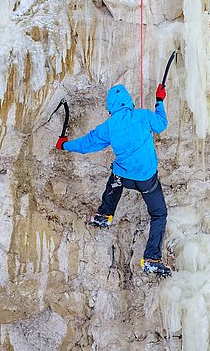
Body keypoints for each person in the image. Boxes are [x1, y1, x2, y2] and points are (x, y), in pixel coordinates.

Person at [55, 83, 172, 277]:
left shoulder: (109, 127)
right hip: (145, 179)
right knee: (159, 214)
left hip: (124, 177)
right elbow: (161, 124)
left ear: (111, 108)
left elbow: (87, 143)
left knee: (115, 178)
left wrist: (65, 145)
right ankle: (151, 258)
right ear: (129, 102)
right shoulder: (142, 116)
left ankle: (104, 215)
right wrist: (160, 100)